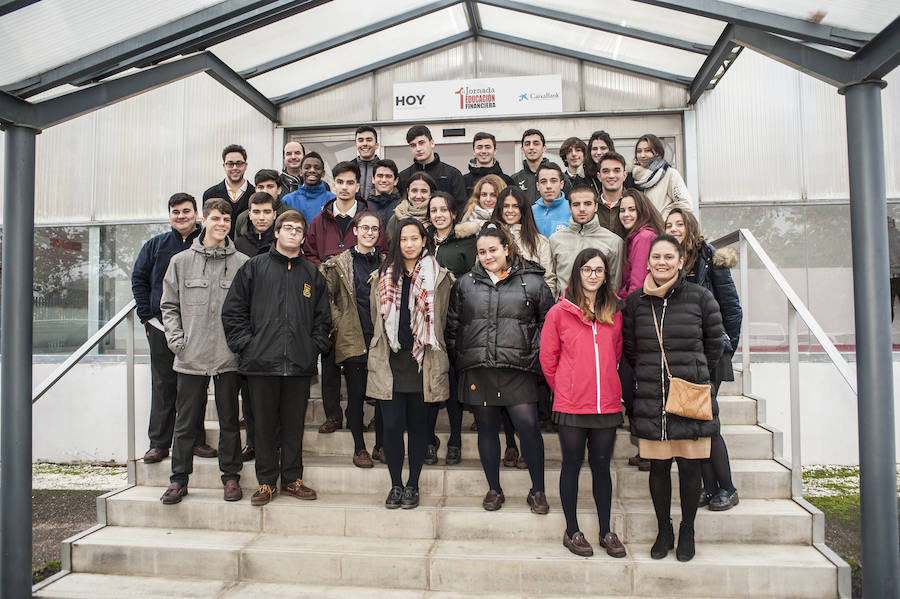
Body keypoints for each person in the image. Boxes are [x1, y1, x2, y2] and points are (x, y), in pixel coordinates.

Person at [623, 234, 724, 562]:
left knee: (691, 468)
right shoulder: (636, 302)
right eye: (656, 257)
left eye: (669, 257)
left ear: (681, 262)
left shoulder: (700, 297)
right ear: (648, 262)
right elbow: (631, 349)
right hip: (652, 396)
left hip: (689, 398)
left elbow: (714, 346)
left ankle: (688, 528)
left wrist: (695, 374)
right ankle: (663, 528)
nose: (661, 263)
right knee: (659, 469)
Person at [222, 210, 332, 507]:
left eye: (299, 229)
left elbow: (324, 319)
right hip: (260, 365)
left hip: (298, 365)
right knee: (264, 427)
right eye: (288, 228)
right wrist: (248, 346)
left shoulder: (312, 274)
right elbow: (233, 312)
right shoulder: (253, 268)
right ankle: (267, 482)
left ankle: (293, 479)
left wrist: (312, 347)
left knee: (293, 426)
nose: (293, 233)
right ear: (277, 232)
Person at [446, 223, 554, 513]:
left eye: (493, 249)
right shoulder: (465, 284)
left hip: (518, 367)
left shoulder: (532, 282)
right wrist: (463, 357)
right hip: (479, 368)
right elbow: (454, 326)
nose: (487, 256)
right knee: (487, 430)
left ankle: (538, 490)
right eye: (482, 251)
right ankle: (494, 489)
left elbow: (549, 323)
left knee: (529, 428)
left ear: (507, 249)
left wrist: (535, 353)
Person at [159, 198, 249, 504]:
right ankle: (178, 479)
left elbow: (251, 310)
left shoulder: (243, 264)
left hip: (228, 357)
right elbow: (169, 305)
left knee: (229, 422)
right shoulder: (181, 262)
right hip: (190, 356)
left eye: (226, 218)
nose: (222, 223)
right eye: (216, 218)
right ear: (204, 220)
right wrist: (176, 341)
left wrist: (242, 344)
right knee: (185, 423)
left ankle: (231, 477)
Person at [540, 248, 626, 558]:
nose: (592, 275)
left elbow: (615, 354)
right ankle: (572, 530)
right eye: (587, 269)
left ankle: (605, 531)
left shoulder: (614, 311)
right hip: (571, 406)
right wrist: (566, 387)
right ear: (577, 272)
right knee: (572, 466)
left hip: (607, 407)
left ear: (605, 276)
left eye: (599, 270)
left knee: (601, 467)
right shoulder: (558, 312)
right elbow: (548, 359)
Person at [366, 218, 453, 509]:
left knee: (418, 428)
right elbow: (375, 320)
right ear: (396, 243)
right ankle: (395, 484)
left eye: (414, 238)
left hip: (422, 361)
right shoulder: (382, 276)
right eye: (403, 239)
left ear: (424, 241)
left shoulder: (439, 276)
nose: (409, 244)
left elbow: (443, 321)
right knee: (390, 427)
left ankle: (412, 484)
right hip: (390, 360)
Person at [666, 208, 743, 511]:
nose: (673, 228)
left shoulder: (711, 260)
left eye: (679, 224)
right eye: (668, 224)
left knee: (706, 420)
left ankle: (727, 487)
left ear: (690, 226)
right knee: (692, 420)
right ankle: (708, 488)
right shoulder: (672, 262)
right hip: (686, 353)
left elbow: (732, 309)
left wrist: (726, 347)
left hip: (711, 353)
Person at [304, 162, 387, 435]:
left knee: (369, 360)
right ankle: (333, 414)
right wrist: (327, 267)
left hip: (361, 296)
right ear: (333, 184)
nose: (345, 187)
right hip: (329, 294)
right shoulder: (320, 219)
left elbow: (382, 251)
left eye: (350, 182)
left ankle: (373, 414)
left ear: (357, 186)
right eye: (339, 182)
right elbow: (310, 253)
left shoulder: (369, 218)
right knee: (329, 358)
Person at [132, 193, 215, 464]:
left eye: (186, 211)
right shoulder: (155, 245)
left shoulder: (208, 242)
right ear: (169, 214)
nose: (181, 216)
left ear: (197, 215)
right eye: (176, 211)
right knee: (163, 385)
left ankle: (195, 440)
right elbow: (139, 279)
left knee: (195, 388)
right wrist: (146, 316)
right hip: (161, 326)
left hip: (197, 327)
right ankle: (159, 443)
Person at [322, 211, 385, 468]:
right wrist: (339, 323)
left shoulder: (387, 262)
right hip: (353, 336)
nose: (370, 233)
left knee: (383, 395)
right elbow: (328, 300)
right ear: (355, 230)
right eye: (365, 228)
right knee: (357, 395)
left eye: (374, 229)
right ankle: (360, 447)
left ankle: (381, 445)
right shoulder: (338, 263)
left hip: (381, 338)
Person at [424, 192, 480, 465]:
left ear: (454, 213)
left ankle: (455, 439)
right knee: (430, 383)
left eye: (444, 209)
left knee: (454, 383)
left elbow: (474, 284)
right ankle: (429, 439)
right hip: (425, 325)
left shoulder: (467, 244)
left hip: (457, 323)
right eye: (434, 210)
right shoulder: (421, 242)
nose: (438, 215)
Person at [550, 185, 624, 297]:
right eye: (576, 204)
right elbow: (552, 281)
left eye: (588, 204)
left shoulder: (614, 241)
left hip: (599, 310)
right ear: (569, 208)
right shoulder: (555, 240)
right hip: (564, 309)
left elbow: (614, 285)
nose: (582, 209)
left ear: (596, 207)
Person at [398, 125, 466, 213]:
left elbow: (460, 208)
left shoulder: (452, 174)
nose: (418, 149)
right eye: (413, 145)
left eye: (421, 143)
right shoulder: (403, 177)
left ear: (432, 143)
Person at [614, 189, 664, 297]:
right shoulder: (635, 237)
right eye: (622, 210)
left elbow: (638, 284)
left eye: (632, 209)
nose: (626, 214)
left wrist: (627, 309)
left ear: (642, 211)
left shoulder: (643, 238)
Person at [632, 134, 692, 218]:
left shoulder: (670, 174)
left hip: (662, 229)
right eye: (639, 151)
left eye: (647, 150)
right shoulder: (633, 177)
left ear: (657, 152)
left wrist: (663, 218)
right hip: (641, 230)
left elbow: (685, 205)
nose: (642, 155)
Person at [203, 144, 254, 239]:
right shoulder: (210, 194)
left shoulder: (255, 194)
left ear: (246, 166)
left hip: (248, 249)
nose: (235, 168)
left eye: (239, 163)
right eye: (230, 164)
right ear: (224, 166)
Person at [512, 129, 571, 204]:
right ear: (522, 149)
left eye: (536, 143)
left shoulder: (561, 177)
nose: (531, 147)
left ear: (544, 148)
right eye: (527, 144)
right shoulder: (515, 179)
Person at [282, 151, 336, 227]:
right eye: (307, 167)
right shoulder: (288, 200)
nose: (312, 170)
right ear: (300, 172)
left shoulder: (333, 200)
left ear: (323, 173)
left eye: (317, 168)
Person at [233, 169, 289, 238]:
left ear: (279, 190)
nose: (265, 191)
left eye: (270, 186)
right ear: (256, 189)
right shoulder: (243, 218)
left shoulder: (289, 215)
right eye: (261, 187)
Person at [463, 131, 513, 198]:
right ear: (474, 151)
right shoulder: (463, 181)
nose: (483, 151)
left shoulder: (507, 181)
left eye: (487, 147)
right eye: (479, 147)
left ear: (495, 151)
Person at [386, 171, 435, 240]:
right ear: (408, 191)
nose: (418, 196)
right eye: (414, 191)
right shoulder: (396, 217)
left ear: (431, 193)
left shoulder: (436, 216)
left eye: (424, 191)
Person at [585, 131, 635, 195]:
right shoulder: (584, 175)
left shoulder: (627, 173)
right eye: (595, 149)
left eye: (603, 148)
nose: (599, 152)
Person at [531, 162, 571, 239]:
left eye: (553, 181)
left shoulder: (572, 210)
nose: (548, 186)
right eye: (543, 182)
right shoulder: (530, 212)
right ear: (537, 186)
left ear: (562, 184)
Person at [592, 151, 629, 235]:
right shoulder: (590, 206)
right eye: (606, 171)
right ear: (599, 176)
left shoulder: (637, 204)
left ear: (625, 175)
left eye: (616, 171)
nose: (611, 176)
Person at [234, 192, 276, 258]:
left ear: (274, 215)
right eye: (256, 212)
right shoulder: (239, 244)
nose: (261, 217)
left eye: (267, 212)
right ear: (250, 215)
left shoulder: (282, 243)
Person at [366, 159, 403, 229]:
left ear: (396, 181)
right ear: (373, 179)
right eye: (380, 176)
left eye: (388, 176)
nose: (383, 180)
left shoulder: (402, 206)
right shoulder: (364, 206)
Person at [352, 126, 380, 200]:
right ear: (356, 145)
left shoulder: (384, 169)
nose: (365, 143)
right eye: (360, 140)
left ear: (377, 145)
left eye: (369, 140)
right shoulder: (348, 168)